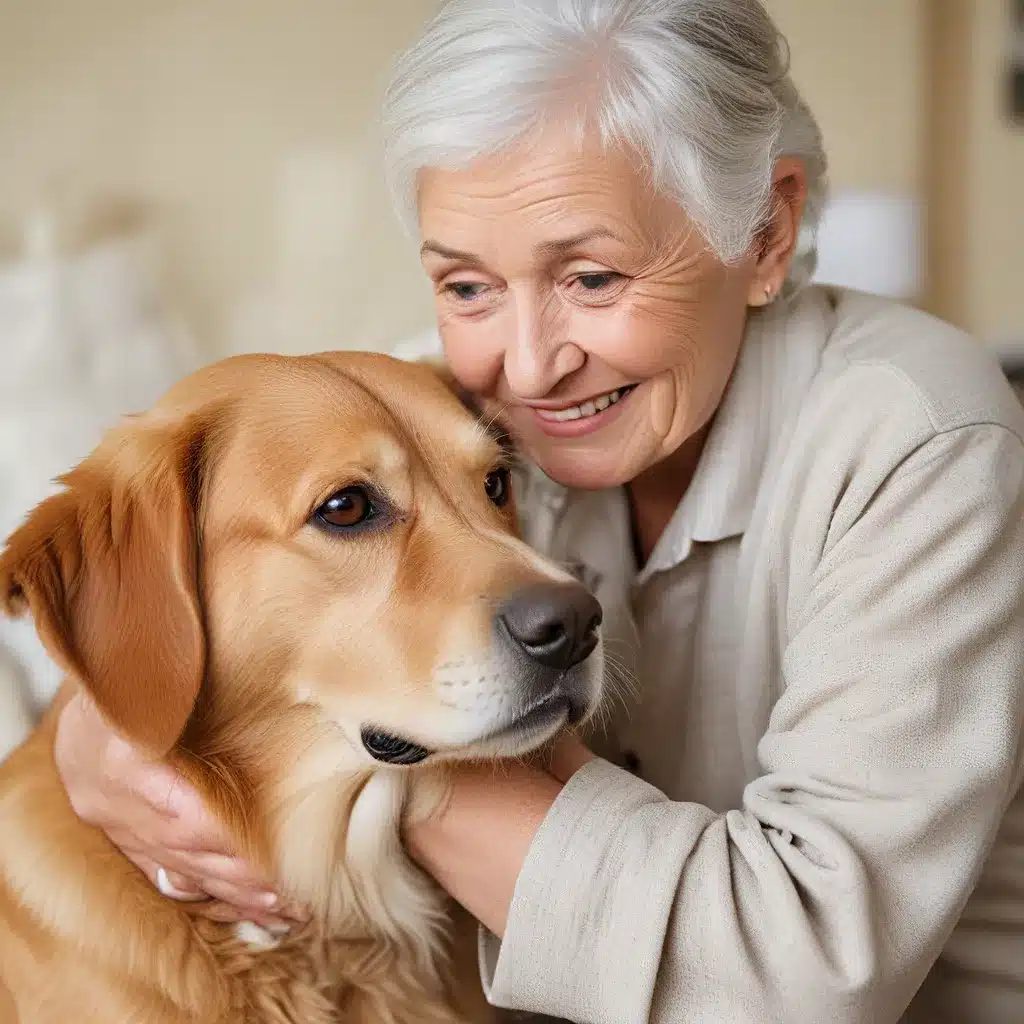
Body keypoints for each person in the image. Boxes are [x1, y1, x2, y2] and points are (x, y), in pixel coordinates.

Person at [48, 1, 1024, 1021]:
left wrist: (405, 748)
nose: (525, 364)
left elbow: (804, 977)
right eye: (466, 286)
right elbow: (193, 577)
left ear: (765, 231)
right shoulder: (450, 415)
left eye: (592, 277)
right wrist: (103, 733)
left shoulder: (919, 436)